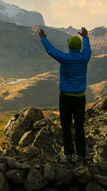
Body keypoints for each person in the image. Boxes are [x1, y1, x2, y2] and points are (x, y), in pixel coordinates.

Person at [37, 27, 91, 161]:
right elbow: (87, 48)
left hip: (65, 97)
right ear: (78, 47)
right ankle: (81, 155)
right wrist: (85, 37)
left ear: (69, 47)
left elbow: (51, 51)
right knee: (79, 127)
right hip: (79, 98)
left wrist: (43, 38)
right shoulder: (85, 57)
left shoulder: (65, 58)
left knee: (66, 125)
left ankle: (68, 154)